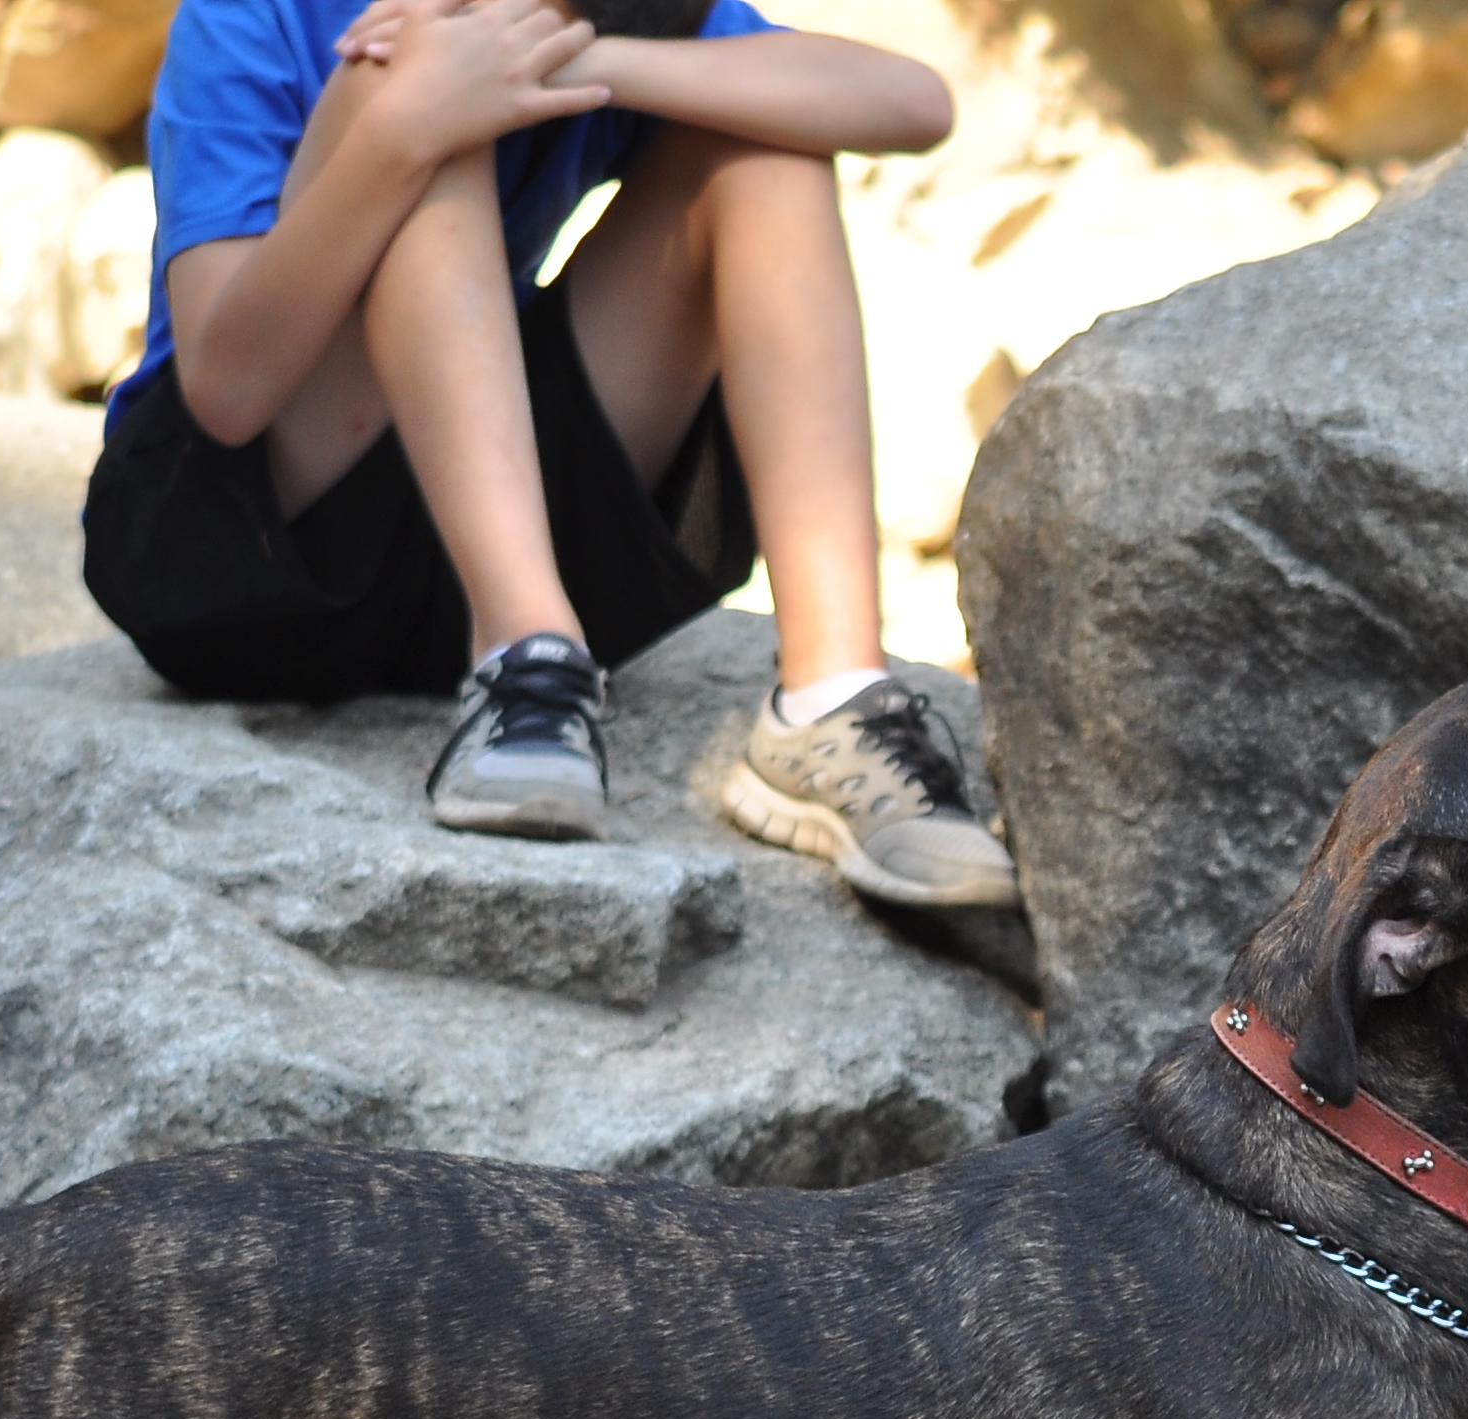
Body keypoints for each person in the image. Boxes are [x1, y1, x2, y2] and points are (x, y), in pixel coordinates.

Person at [83, 0, 1022, 907]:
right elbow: (226, 389)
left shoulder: (606, 12)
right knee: (408, 92)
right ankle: (522, 651)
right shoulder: (257, 14)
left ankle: (832, 703)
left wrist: (572, 63)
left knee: (765, 149)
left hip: (477, 524)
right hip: (242, 554)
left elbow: (911, 104)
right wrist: (404, 126)